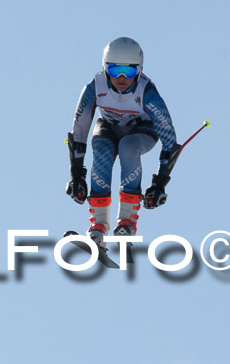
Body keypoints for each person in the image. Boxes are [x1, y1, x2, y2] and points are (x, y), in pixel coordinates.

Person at [66, 37, 181, 249]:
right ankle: (97, 228)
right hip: (109, 126)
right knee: (100, 147)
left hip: (142, 131)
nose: (120, 78)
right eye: (114, 70)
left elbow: (169, 140)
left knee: (128, 147)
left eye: (128, 72)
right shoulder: (95, 87)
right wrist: (77, 175)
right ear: (104, 67)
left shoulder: (147, 93)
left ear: (139, 70)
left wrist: (159, 184)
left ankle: (128, 222)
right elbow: (79, 131)